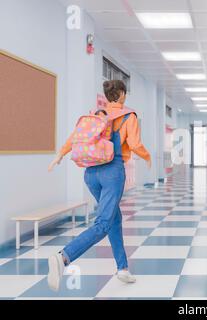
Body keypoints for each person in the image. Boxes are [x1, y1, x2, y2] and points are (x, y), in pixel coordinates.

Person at [47, 80, 152, 291]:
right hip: (112, 172)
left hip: (91, 173)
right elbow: (134, 144)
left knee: (114, 217)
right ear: (122, 94)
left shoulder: (96, 115)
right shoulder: (128, 116)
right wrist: (147, 157)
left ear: (106, 95)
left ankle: (122, 268)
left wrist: (60, 155)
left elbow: (75, 139)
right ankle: (64, 257)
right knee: (104, 222)